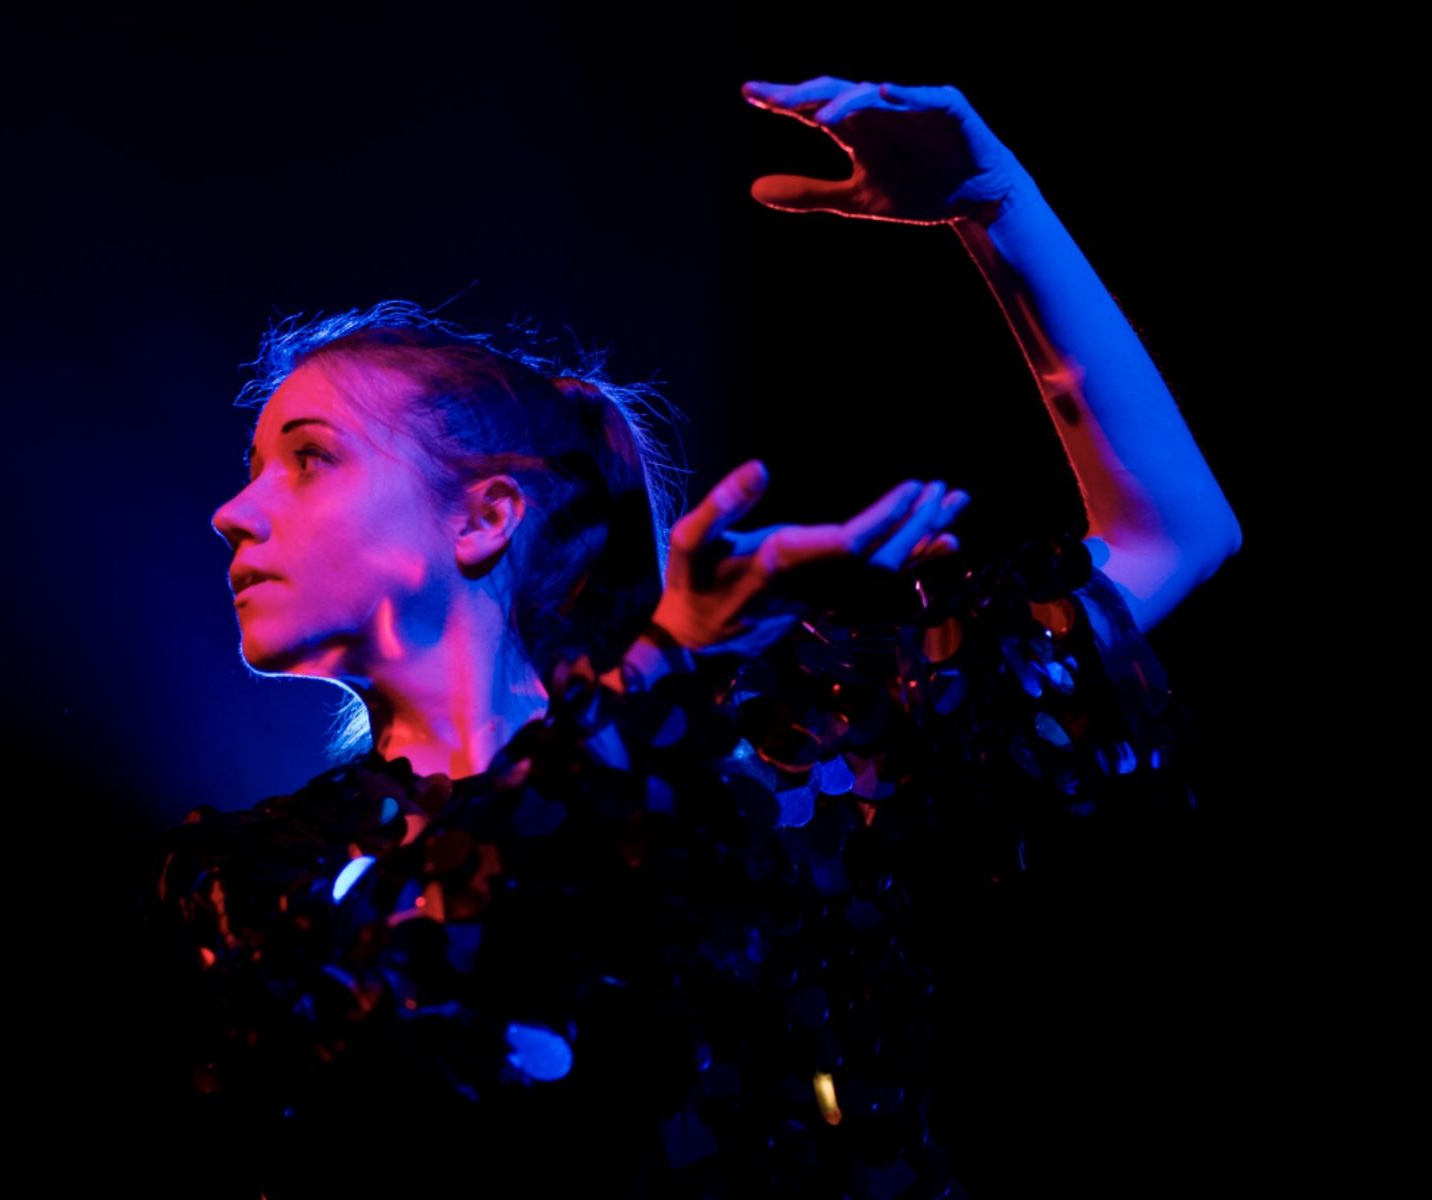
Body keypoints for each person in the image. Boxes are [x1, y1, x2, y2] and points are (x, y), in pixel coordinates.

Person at [147, 76, 1241, 1198]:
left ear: (483, 517)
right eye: (252, 472)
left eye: (308, 457)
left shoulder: (757, 757)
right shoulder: (263, 877)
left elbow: (1170, 535)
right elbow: (425, 971)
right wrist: (658, 661)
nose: (235, 512)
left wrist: (996, 208)